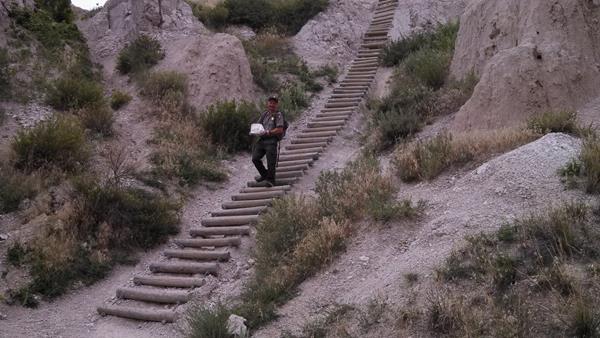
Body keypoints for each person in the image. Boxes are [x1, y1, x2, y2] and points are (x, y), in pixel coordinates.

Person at [252, 96, 285, 187]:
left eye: (274, 103)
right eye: (270, 102)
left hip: (271, 140)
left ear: (276, 104)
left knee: (271, 161)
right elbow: (258, 125)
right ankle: (265, 175)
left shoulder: (278, 115)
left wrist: (269, 132)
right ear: (267, 103)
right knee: (255, 158)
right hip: (262, 139)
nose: (272, 105)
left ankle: (271, 180)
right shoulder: (265, 114)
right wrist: (255, 131)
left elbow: (280, 129)